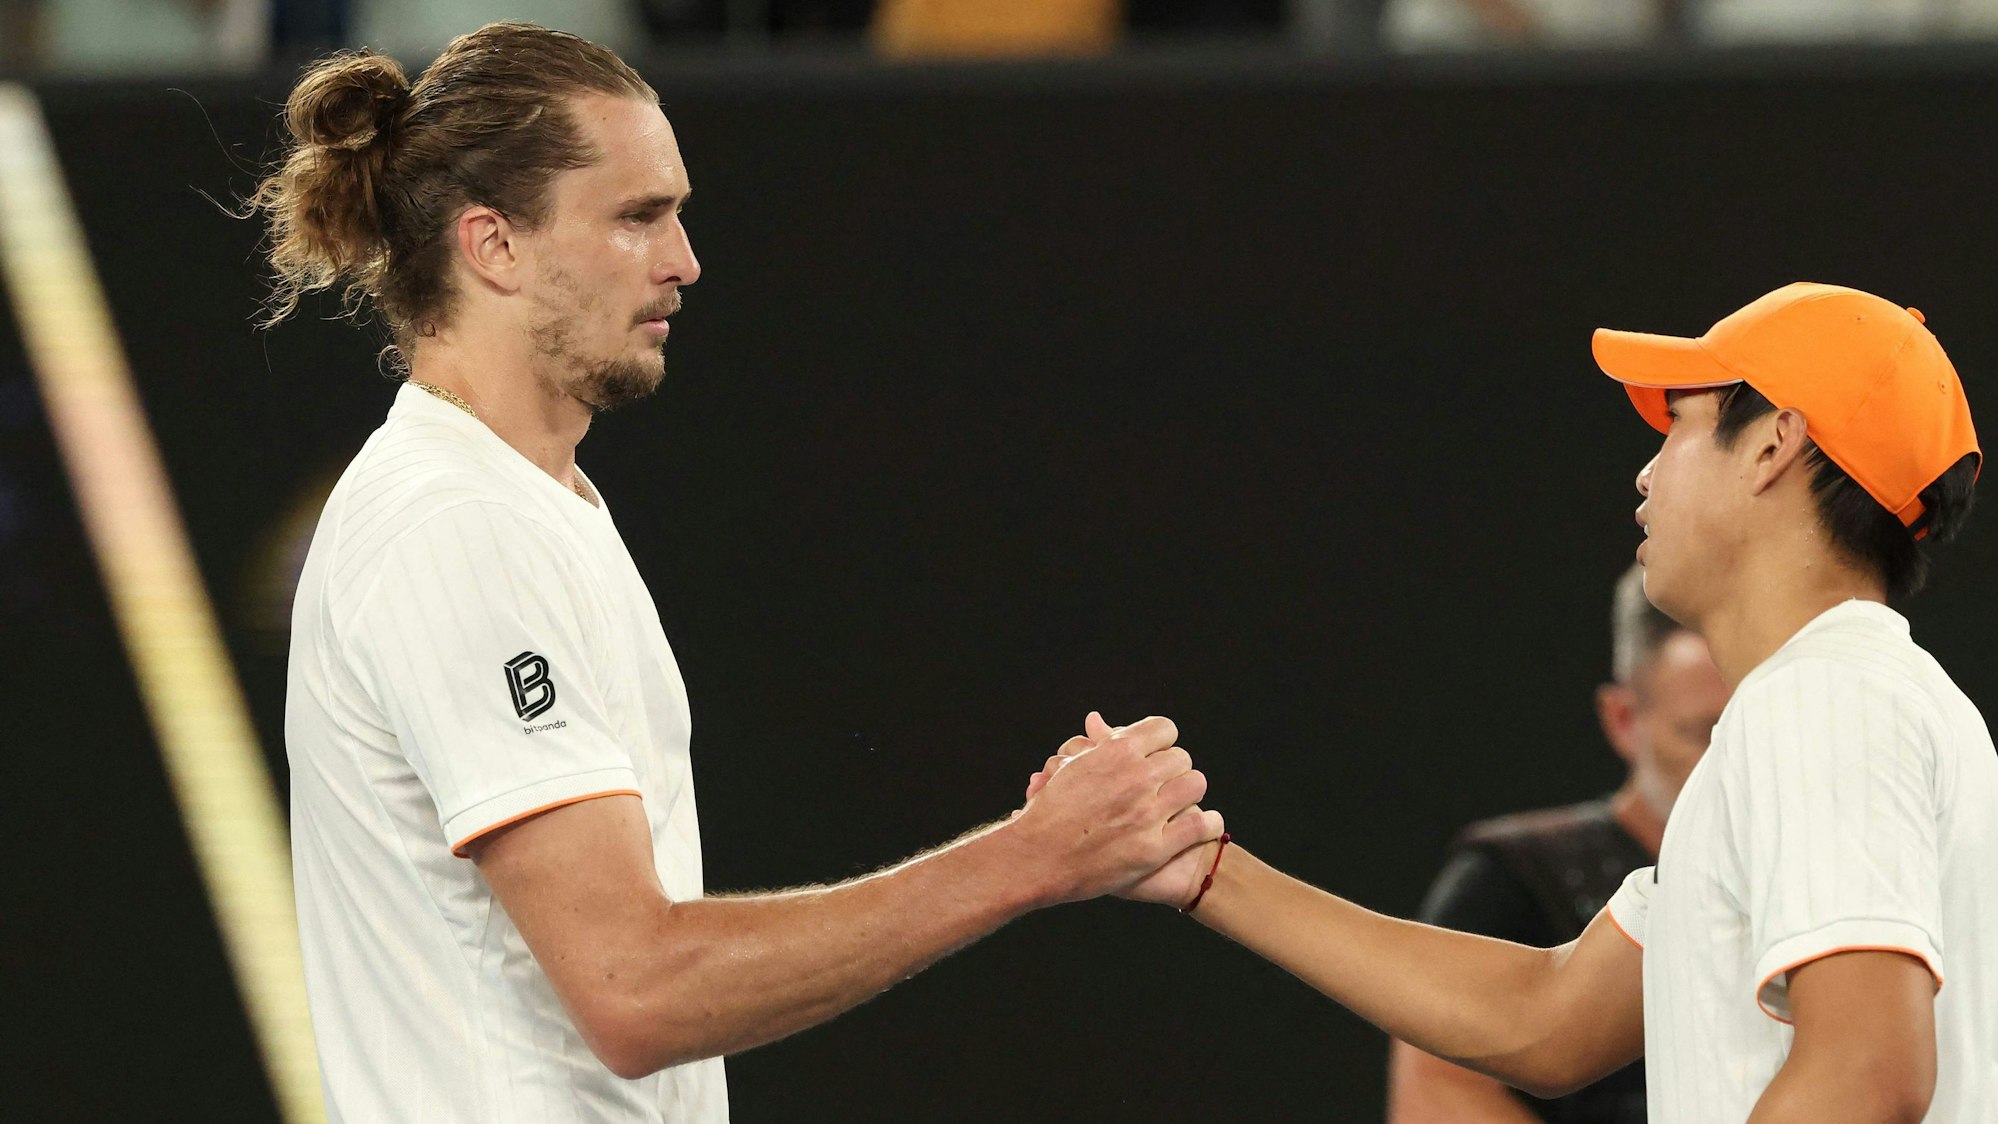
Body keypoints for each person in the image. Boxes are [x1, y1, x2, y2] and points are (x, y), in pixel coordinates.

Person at [263, 24, 1224, 1123]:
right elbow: (636, 985)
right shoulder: (458, 526)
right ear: (495, 247)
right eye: (636, 217)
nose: (684, 260)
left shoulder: (531, 502)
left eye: (675, 213)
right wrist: (1036, 856)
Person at [1039, 282, 1996, 1121]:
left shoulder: (1823, 699)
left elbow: (1867, 1076)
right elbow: (1546, 1018)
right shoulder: (1834, 704)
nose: (1647, 467)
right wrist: (1202, 868)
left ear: (1775, 445)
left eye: (1682, 423)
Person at [1386, 564, 1730, 1124]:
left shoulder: (1809, 874)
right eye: (1700, 733)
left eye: (1750, 728)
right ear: (1622, 719)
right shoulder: (1512, 879)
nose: (1728, 762)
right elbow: (1434, 1095)